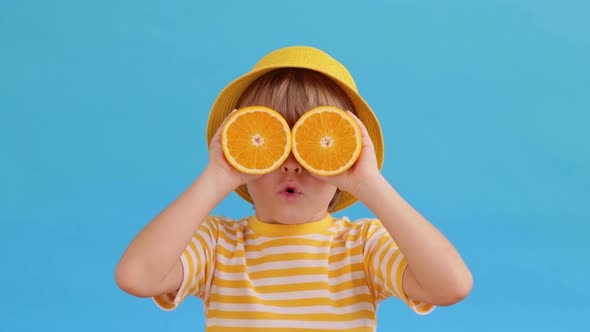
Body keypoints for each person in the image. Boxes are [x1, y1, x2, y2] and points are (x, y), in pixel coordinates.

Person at [115, 46, 473, 331]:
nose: (292, 164)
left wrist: (369, 183)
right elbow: (137, 277)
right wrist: (217, 177)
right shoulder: (217, 245)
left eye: (312, 144)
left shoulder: (362, 247)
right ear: (244, 151)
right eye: (273, 142)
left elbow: (451, 286)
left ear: (345, 154)